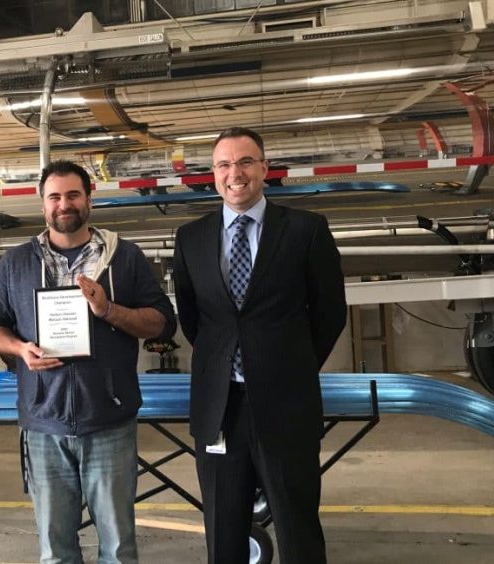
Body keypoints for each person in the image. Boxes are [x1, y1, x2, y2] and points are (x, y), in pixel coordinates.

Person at [0, 160, 176, 564]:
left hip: (109, 420)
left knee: (119, 548)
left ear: (89, 198)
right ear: (42, 204)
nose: (63, 204)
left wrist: (108, 310)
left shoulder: (126, 258)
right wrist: (19, 349)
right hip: (43, 423)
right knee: (55, 551)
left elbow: (162, 323)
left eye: (72, 195)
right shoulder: (15, 263)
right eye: (54, 197)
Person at [172, 127, 347, 563]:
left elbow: (330, 313)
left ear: (265, 168)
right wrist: (223, 360)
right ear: (213, 174)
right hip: (219, 408)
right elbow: (194, 320)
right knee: (222, 530)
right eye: (224, 164)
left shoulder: (306, 230)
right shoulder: (190, 238)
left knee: (298, 528)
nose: (236, 173)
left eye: (246, 162)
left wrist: (291, 365)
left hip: (287, 404)